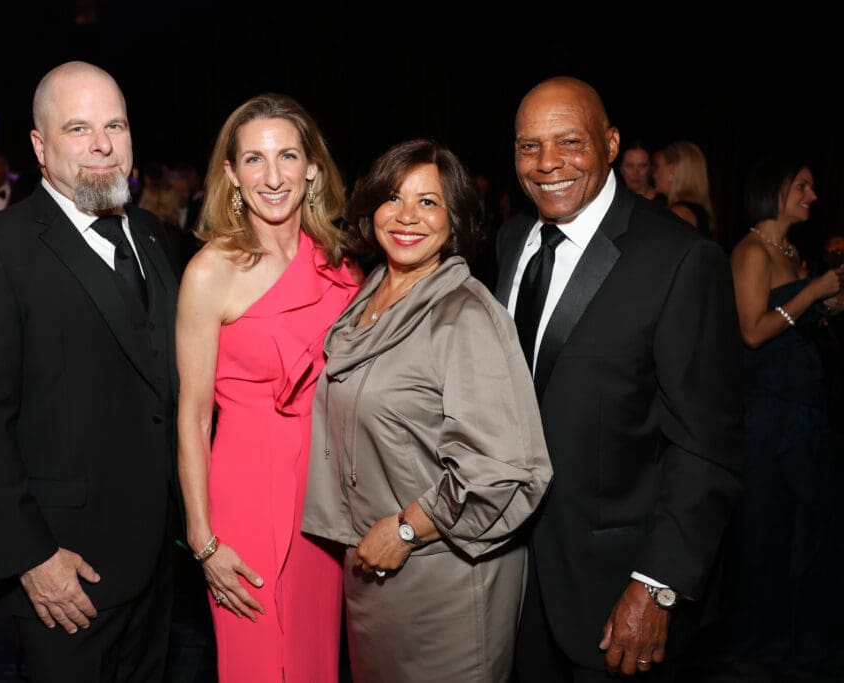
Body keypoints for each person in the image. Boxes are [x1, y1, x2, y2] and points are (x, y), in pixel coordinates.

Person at [493, 76, 744, 681]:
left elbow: (706, 447)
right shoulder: (511, 240)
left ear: (609, 144)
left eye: (569, 142)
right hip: (510, 579)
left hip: (615, 593)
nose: (547, 163)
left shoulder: (680, 259)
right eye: (529, 146)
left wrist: (657, 586)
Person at [0, 61, 180, 682]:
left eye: (115, 125)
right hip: (66, 572)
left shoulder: (151, 234)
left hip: (157, 562)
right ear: (40, 147)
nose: (102, 144)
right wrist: (30, 557)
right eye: (78, 128)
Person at [302, 138, 553, 682]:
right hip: (371, 576)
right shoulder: (369, 296)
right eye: (393, 198)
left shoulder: (465, 316)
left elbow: (499, 468)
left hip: (444, 580)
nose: (407, 216)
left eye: (429, 202)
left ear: (454, 218)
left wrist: (406, 530)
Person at [176, 92, 359, 682]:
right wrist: (203, 540)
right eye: (254, 159)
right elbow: (193, 416)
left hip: (327, 500)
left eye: (287, 156)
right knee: (256, 662)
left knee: (314, 659)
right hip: (246, 497)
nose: (273, 177)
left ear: (313, 168)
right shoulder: (211, 271)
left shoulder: (342, 264)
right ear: (232, 174)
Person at [724, 156, 844, 672]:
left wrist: (826, 307)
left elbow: (793, 322)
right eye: (803, 186)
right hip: (769, 413)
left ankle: (805, 642)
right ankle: (762, 646)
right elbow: (752, 332)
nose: (812, 196)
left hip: (806, 405)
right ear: (775, 190)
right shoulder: (751, 251)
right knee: (769, 528)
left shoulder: (793, 251)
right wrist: (813, 292)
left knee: (810, 526)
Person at [651, 140, 715, 239]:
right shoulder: (692, 210)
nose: (654, 174)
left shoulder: (679, 213)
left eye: (657, 167)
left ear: (672, 170)